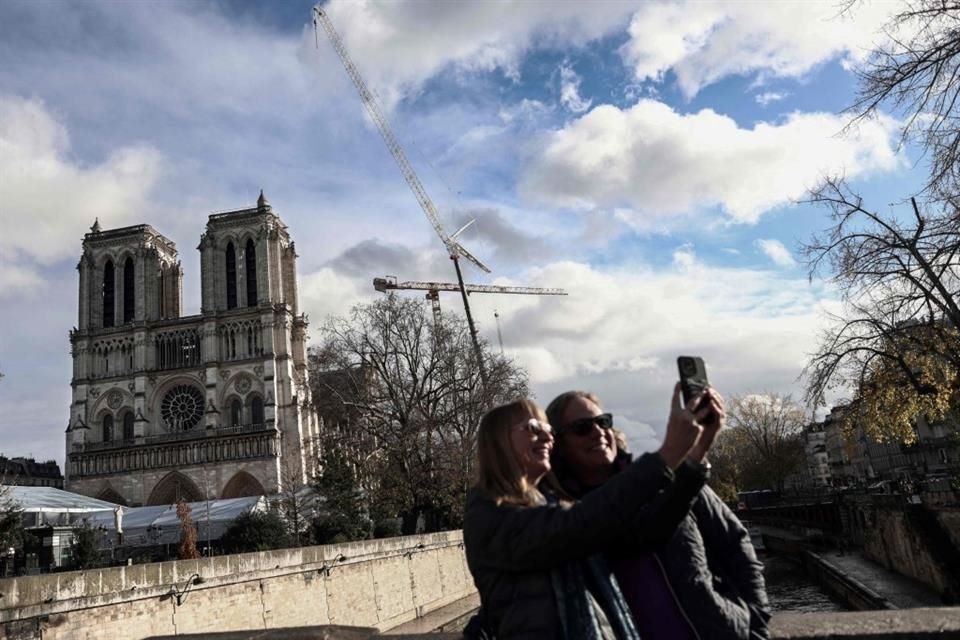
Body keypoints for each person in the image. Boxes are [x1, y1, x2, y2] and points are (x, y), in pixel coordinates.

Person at [463, 386, 720, 640]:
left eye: (548, 430)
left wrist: (695, 456)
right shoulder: (487, 511)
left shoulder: (553, 504)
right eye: (533, 428)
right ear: (498, 443)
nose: (546, 437)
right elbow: (576, 527)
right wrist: (667, 455)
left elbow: (641, 533)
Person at [546, 390, 771, 640]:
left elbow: (733, 542)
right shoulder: (563, 516)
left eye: (603, 422)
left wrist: (753, 620)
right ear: (559, 444)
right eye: (582, 428)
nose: (598, 432)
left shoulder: (674, 479)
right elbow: (638, 534)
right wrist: (689, 457)